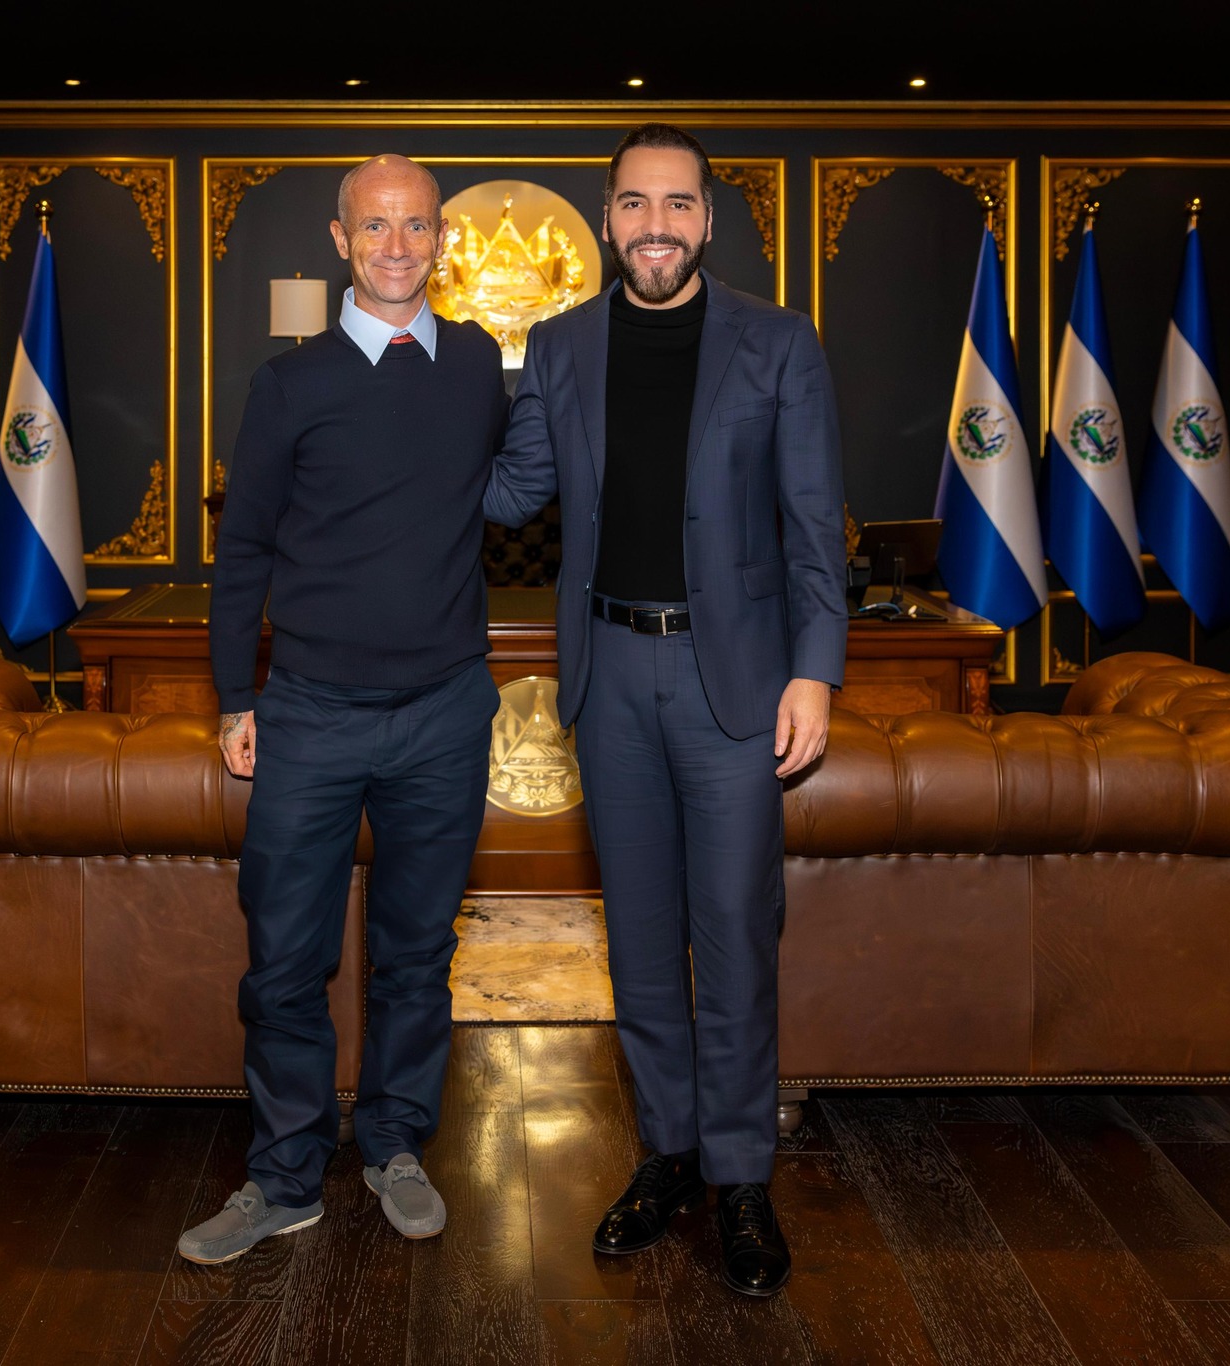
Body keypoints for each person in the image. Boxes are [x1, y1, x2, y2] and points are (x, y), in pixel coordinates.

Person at [485, 123, 847, 1297]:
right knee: (638, 944)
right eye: (634, 205)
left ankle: (743, 1178)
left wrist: (817, 670)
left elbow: (811, 522)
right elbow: (511, 491)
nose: (654, 226)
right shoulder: (557, 345)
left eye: (676, 206)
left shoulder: (777, 343)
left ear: (706, 219)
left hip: (732, 682)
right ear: (605, 219)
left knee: (733, 934)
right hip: (608, 678)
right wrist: (395, 411)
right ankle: (671, 1157)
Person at [179, 154, 507, 1265]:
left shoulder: (473, 366)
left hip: (447, 710)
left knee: (418, 953)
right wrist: (234, 694)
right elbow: (244, 551)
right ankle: (281, 1175)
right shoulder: (288, 383)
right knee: (282, 960)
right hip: (309, 712)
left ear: (441, 242)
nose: (398, 245)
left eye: (417, 226)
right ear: (339, 241)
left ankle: (396, 1143)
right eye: (377, 228)